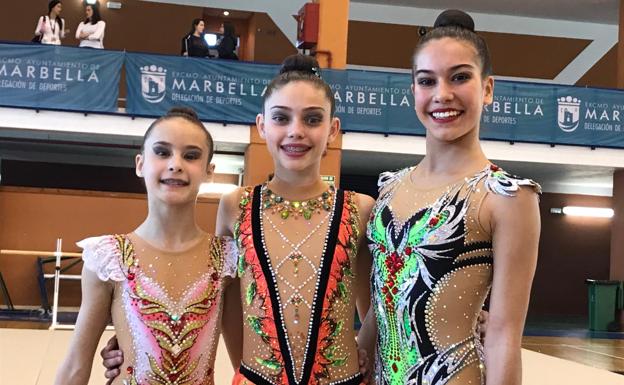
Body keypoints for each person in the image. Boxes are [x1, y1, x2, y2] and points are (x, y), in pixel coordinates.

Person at [358, 9, 541, 385]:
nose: (442, 94)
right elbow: (383, 298)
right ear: (413, 91)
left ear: (487, 88)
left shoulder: (506, 198)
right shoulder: (390, 188)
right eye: (427, 81)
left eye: (459, 77)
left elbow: (505, 334)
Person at [53, 107, 238, 385]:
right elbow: (75, 366)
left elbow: (247, 363)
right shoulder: (109, 258)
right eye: (162, 152)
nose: (175, 164)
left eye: (191, 156)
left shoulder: (227, 260)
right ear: (140, 164)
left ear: (209, 171)